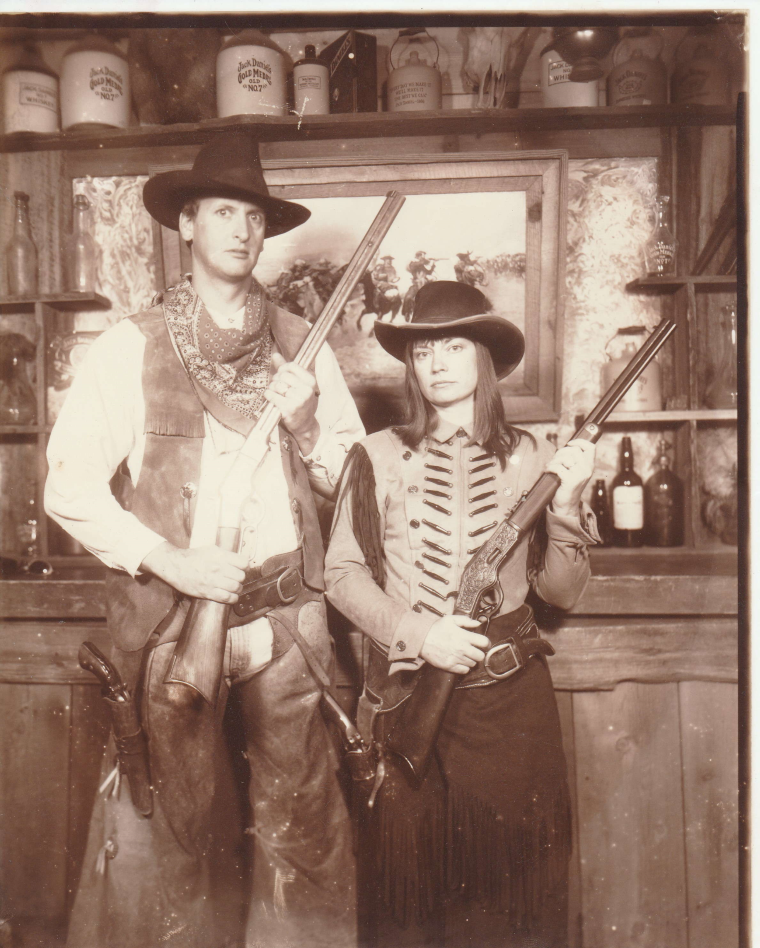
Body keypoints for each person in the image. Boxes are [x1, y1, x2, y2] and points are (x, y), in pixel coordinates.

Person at [45, 133, 364, 948]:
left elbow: (354, 487)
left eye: (253, 215)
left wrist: (310, 422)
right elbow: (69, 487)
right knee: (169, 840)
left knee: (305, 834)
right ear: (187, 223)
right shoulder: (131, 345)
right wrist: (171, 559)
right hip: (173, 617)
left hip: (287, 620)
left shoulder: (304, 341)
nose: (241, 230)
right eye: (223, 211)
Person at [324, 281, 599, 948]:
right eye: (422, 351)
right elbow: (340, 574)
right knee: (409, 905)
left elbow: (562, 595)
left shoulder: (535, 456)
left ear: (482, 357)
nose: (438, 362)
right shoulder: (375, 456)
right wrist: (421, 633)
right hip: (411, 694)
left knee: (515, 905)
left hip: (511, 705)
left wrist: (567, 506)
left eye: (454, 346)